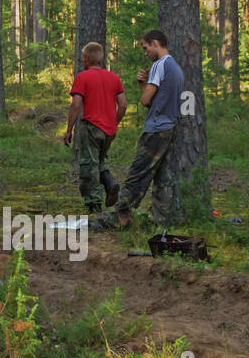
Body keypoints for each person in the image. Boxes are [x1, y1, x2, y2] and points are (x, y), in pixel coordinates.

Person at [95, 29, 184, 230]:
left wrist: (143, 85)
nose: (145, 53)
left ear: (155, 43)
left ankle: (119, 218)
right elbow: (156, 101)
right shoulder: (176, 68)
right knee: (164, 177)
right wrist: (144, 84)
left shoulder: (159, 65)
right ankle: (160, 220)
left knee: (137, 174)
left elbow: (145, 100)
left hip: (156, 129)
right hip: (170, 127)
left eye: (146, 48)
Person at [62, 41, 126, 213]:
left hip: (91, 127)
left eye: (83, 57)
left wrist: (69, 130)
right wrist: (114, 122)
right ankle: (110, 184)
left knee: (89, 164)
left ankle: (94, 204)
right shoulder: (114, 78)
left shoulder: (83, 77)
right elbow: (123, 104)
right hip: (109, 130)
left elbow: (76, 105)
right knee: (98, 160)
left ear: (86, 58)